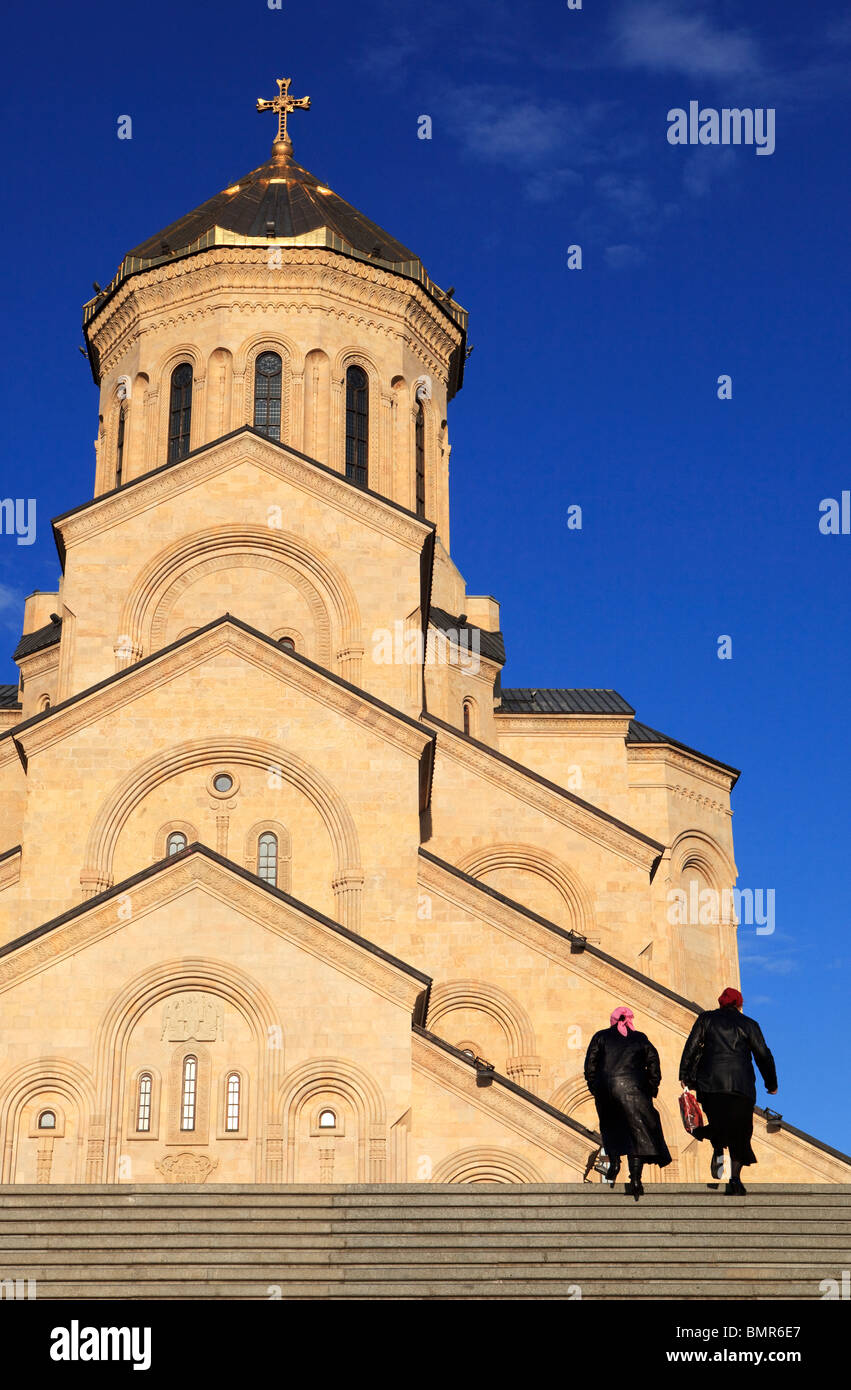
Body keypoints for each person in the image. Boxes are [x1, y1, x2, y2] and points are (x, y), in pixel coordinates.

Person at [679, 986, 778, 1196]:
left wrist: (685, 1075)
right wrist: (771, 1084)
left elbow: (692, 1046)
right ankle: (735, 1178)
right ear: (739, 1004)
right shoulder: (749, 1024)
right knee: (740, 1132)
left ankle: (717, 1147)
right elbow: (763, 1054)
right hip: (741, 1086)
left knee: (718, 1122)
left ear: (720, 1003)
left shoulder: (706, 1019)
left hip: (711, 1084)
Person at [584, 1006, 672, 1200]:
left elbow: (590, 1064)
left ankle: (614, 1163)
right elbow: (653, 1062)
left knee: (611, 1127)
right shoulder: (639, 1038)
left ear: (613, 1020)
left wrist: (594, 1086)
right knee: (637, 1133)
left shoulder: (601, 1036)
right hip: (634, 1090)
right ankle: (635, 1179)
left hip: (606, 1090)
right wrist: (651, 1085)